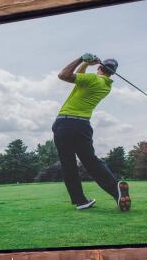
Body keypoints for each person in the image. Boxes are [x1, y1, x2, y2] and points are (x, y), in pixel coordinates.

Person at [52, 54, 132, 213]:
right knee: (91, 162)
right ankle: (116, 192)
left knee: (68, 164)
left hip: (65, 124)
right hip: (83, 126)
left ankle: (80, 200)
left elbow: (63, 75)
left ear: (99, 67)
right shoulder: (106, 86)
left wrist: (81, 59)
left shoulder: (92, 79)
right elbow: (80, 77)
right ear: (112, 73)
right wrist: (86, 64)